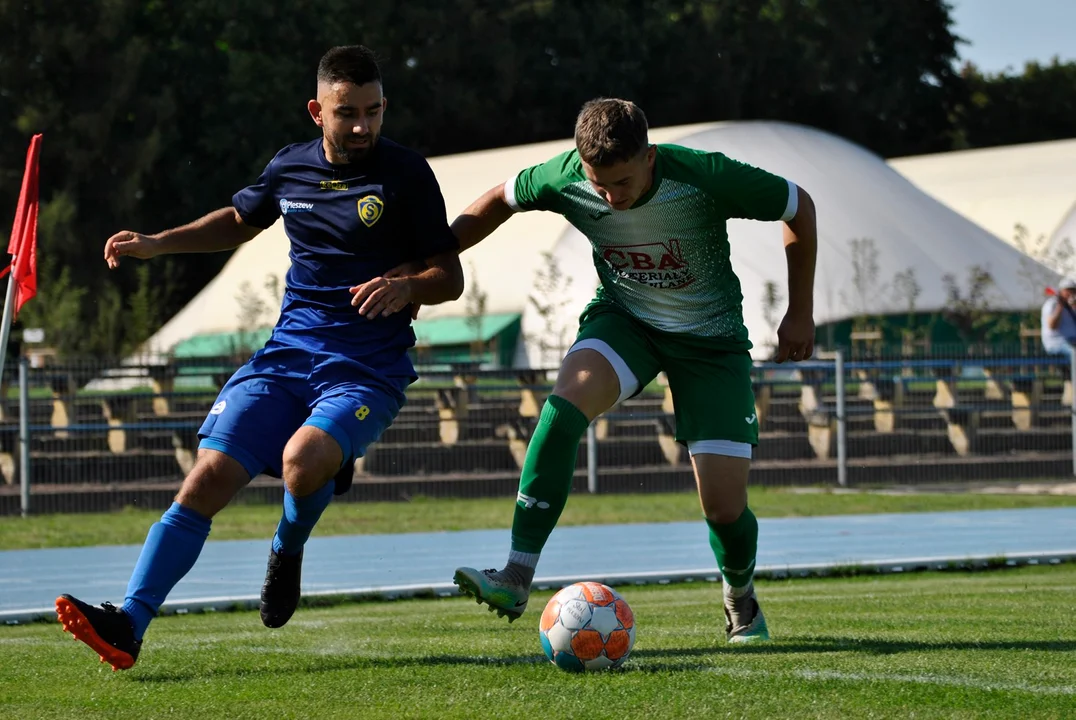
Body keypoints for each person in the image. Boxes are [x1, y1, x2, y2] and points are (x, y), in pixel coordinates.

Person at [55, 45, 464, 670]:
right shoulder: (289, 167)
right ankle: (129, 624)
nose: (363, 126)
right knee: (206, 477)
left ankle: (287, 546)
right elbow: (239, 221)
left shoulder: (407, 173)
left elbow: (449, 277)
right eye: (347, 113)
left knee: (302, 461)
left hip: (366, 367)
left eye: (374, 111)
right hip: (287, 354)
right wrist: (158, 243)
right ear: (317, 112)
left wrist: (409, 287)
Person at [448, 98, 816, 643]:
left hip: (710, 343)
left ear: (649, 156)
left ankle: (740, 599)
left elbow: (798, 206)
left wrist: (800, 310)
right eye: (599, 185)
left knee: (722, 508)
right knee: (561, 408)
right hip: (626, 322)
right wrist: (430, 261)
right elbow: (499, 200)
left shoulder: (704, 176)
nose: (611, 198)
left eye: (622, 183)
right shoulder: (564, 176)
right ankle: (516, 575)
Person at [1041, 277, 1076, 356]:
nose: (1071, 293)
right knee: (1074, 352)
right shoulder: (1052, 304)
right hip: (1057, 342)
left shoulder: (1071, 306)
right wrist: (1060, 307)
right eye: (1068, 290)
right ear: (1061, 291)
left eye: (1073, 290)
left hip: (1073, 341)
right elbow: (1052, 326)